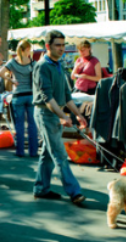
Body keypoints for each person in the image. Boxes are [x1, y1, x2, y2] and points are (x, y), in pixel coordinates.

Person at [32, 30, 88, 206]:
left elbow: (66, 95)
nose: (62, 48)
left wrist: (79, 116)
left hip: (54, 113)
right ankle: (74, 192)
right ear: (48, 46)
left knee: (48, 154)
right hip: (45, 113)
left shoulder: (59, 64)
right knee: (60, 155)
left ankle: (41, 188)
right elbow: (47, 98)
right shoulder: (42, 66)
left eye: (63, 45)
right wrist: (63, 116)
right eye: (58, 45)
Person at [0, 39, 38, 158]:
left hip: (17, 96)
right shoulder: (32, 63)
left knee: (19, 125)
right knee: (32, 125)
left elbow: (0, 73)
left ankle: (20, 151)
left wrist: (11, 80)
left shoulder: (12, 62)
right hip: (31, 95)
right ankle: (33, 152)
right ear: (26, 49)